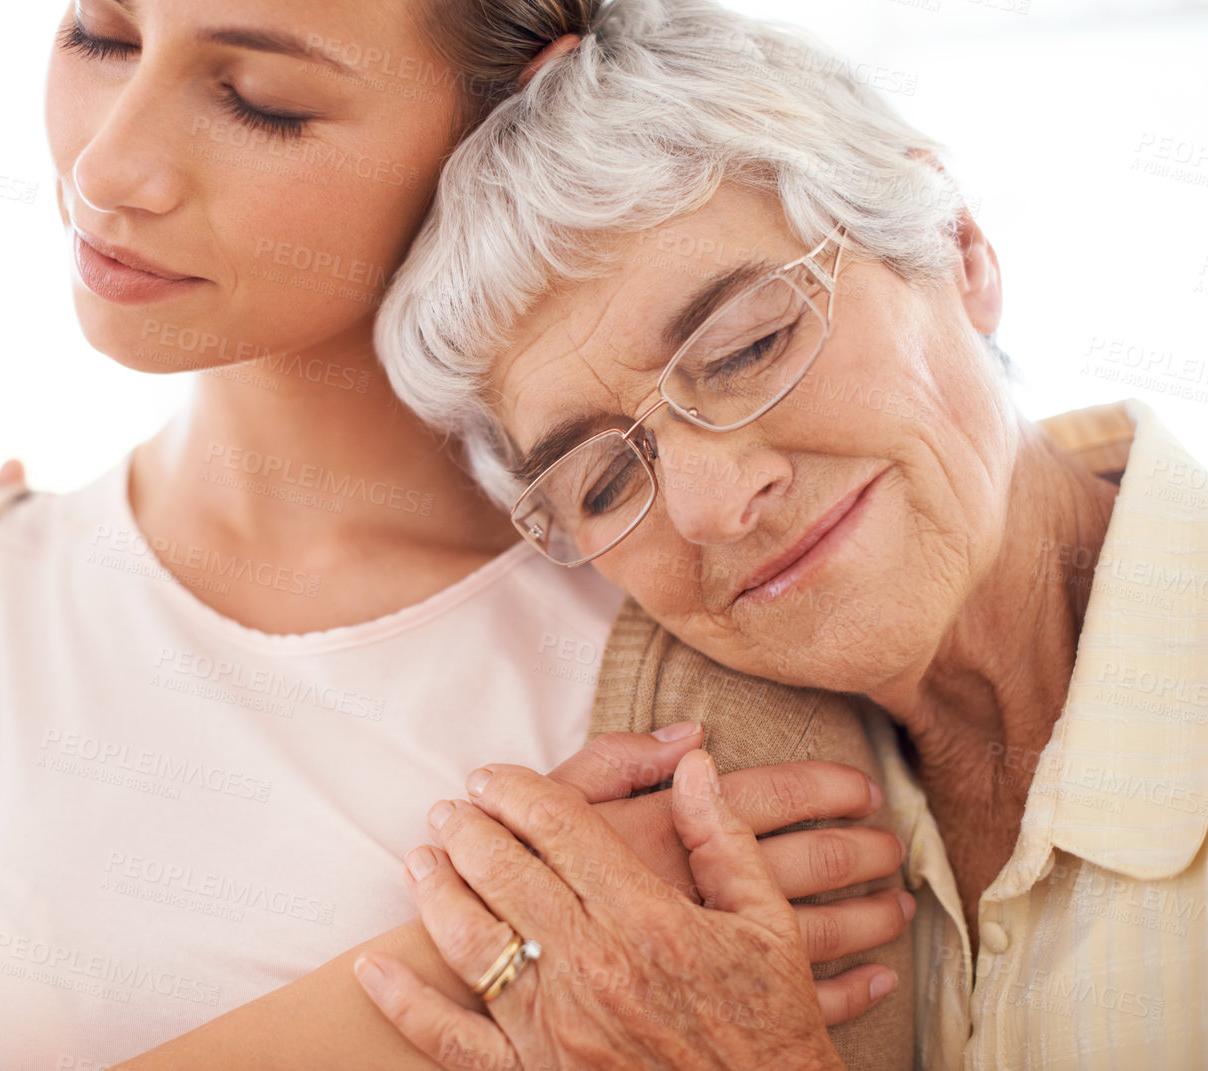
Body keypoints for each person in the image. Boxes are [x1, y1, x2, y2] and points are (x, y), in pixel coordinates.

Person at [0, 1, 915, 1067]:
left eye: (260, 100)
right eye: (100, 34)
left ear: (511, 117)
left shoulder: (717, 638)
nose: (109, 172)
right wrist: (482, 959)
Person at [363, 0, 1208, 1066]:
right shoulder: (707, 836)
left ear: (955, 246)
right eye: (606, 479)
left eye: (749, 346)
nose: (713, 505)